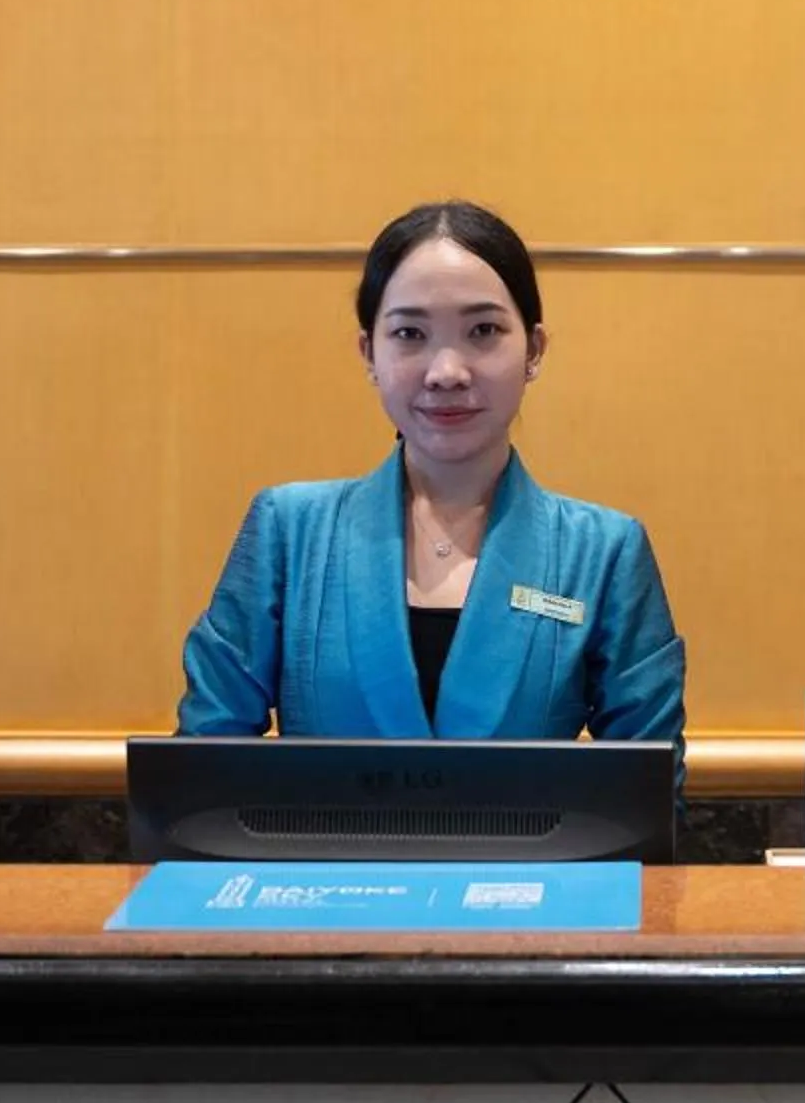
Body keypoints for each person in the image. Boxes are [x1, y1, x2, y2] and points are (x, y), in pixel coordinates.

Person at [176, 201, 685, 755]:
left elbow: (646, 792)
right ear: (369, 352)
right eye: (410, 334)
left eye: (483, 330)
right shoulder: (289, 532)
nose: (447, 372)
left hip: (526, 847)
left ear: (534, 350)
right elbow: (204, 769)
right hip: (323, 846)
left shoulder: (604, 553)